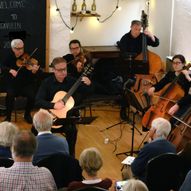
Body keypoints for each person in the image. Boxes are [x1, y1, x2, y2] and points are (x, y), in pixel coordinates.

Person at [35, 57, 92, 156]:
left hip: (66, 118)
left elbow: (88, 92)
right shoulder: (47, 83)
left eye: (65, 69)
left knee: (72, 130)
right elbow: (38, 101)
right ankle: (39, 154)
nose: (63, 72)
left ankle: (71, 155)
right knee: (34, 129)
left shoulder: (72, 81)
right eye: (60, 70)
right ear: (53, 70)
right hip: (49, 118)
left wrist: (89, 84)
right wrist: (53, 105)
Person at [118, 20, 160, 120]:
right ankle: (123, 109)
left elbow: (156, 43)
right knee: (126, 88)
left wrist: (150, 34)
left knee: (147, 88)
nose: (137, 31)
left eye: (139, 29)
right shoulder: (125, 38)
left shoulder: (143, 36)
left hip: (143, 69)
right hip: (129, 67)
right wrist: (135, 56)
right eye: (135, 29)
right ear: (131, 27)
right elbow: (123, 53)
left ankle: (144, 109)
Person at [1, 39, 40, 123]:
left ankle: (27, 114)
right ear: (12, 48)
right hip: (13, 84)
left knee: (32, 96)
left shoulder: (28, 56)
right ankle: (8, 117)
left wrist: (34, 71)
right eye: (17, 48)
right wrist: (10, 70)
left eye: (22, 48)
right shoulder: (8, 56)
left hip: (26, 84)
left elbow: (34, 74)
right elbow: (2, 66)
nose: (20, 50)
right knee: (9, 95)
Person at [147, 54, 191, 126]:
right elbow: (162, 83)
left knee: (172, 121)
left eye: (178, 63)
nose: (175, 65)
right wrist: (153, 88)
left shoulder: (188, 76)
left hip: (183, 102)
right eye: (173, 63)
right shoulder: (170, 74)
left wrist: (187, 76)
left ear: (183, 64)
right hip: (167, 101)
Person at [131, 117, 176, 182]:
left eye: (151, 127)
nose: (149, 130)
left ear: (154, 130)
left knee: (126, 171)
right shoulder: (173, 148)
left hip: (145, 182)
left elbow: (135, 169)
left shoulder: (149, 147)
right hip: (161, 183)